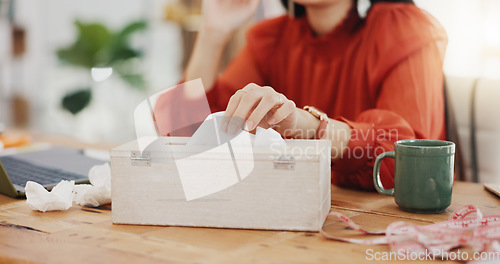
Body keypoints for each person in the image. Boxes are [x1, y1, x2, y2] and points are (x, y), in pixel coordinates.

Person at [155, 0, 448, 190]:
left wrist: (304, 124)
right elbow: (183, 138)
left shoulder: (405, 30)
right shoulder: (272, 39)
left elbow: (413, 164)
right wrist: (212, 33)